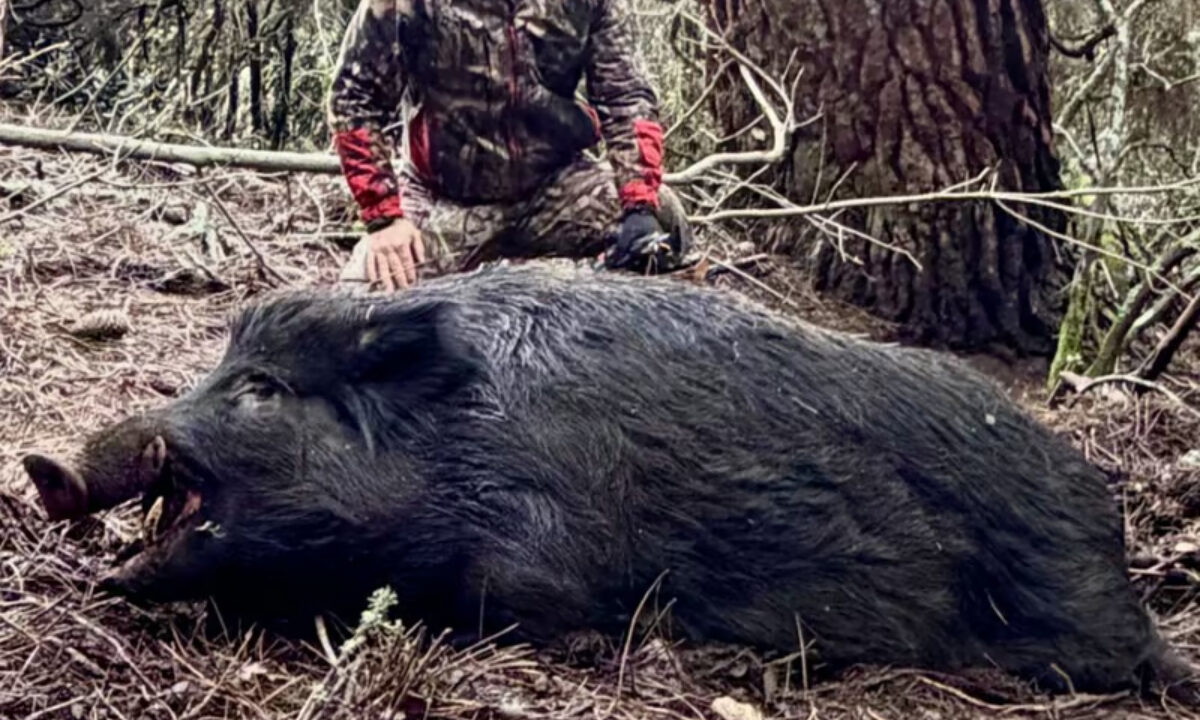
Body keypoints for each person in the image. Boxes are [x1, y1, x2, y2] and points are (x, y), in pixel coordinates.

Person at [327, 0, 693, 292]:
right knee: (363, 295)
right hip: (444, 199)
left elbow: (626, 96)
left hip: (555, 188)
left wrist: (638, 202)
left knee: (662, 223)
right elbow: (353, 96)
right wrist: (385, 218)